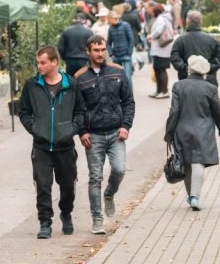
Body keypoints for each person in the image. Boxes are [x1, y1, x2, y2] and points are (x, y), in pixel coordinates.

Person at [18, 46, 86, 240]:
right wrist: (35, 129)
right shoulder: (32, 85)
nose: (39, 66)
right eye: (37, 62)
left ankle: (66, 213)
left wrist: (71, 130)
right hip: (41, 146)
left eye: (43, 62)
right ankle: (45, 222)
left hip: (65, 146)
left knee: (67, 186)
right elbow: (23, 112)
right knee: (43, 185)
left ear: (54, 62)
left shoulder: (71, 84)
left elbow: (81, 111)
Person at [75, 36, 135, 235]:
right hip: (94, 136)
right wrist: (82, 131)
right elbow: (77, 109)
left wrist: (126, 125)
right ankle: (97, 219)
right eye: (96, 50)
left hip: (116, 132)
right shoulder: (81, 77)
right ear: (88, 52)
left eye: (103, 49)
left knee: (119, 170)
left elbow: (128, 101)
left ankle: (109, 194)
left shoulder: (117, 72)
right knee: (95, 177)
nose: (100, 53)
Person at [164, 55, 220, 210]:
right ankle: (195, 196)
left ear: (190, 69)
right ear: (204, 72)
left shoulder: (178, 86)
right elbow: (219, 111)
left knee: (186, 162)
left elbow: (174, 111)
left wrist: (169, 132)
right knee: (198, 162)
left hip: (182, 129)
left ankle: (190, 196)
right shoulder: (210, 88)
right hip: (204, 130)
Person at [170, 10, 220, 85]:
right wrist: (207, 68)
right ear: (200, 22)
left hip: (186, 80)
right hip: (208, 80)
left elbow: (174, 58)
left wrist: (187, 69)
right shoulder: (212, 39)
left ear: (187, 22)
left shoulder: (180, 40)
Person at [147, 4, 175, 98]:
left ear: (156, 12)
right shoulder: (164, 18)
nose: (152, 13)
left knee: (161, 70)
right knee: (157, 69)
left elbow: (158, 30)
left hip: (162, 49)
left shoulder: (161, 19)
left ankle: (164, 91)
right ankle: (159, 91)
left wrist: (151, 36)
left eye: (153, 11)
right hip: (161, 49)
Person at [58, 13, 94, 77]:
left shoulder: (66, 31)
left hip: (70, 59)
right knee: (84, 78)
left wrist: (64, 57)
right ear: (84, 20)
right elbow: (93, 46)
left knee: (70, 80)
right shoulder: (89, 32)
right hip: (84, 59)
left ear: (74, 20)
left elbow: (61, 47)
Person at [106, 10, 137, 82]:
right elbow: (109, 43)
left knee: (127, 77)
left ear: (112, 18)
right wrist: (111, 54)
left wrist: (129, 52)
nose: (108, 21)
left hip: (126, 55)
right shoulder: (111, 28)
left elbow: (131, 39)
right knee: (118, 78)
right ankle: (121, 93)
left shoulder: (125, 25)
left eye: (109, 19)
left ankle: (129, 93)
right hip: (116, 56)